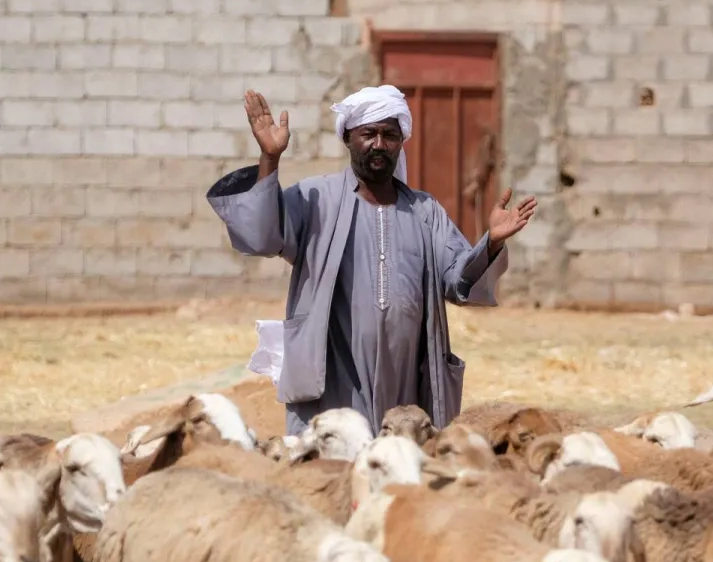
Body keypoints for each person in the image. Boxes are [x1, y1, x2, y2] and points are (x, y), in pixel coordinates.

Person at [206, 84, 538, 436]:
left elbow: (458, 283)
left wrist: (490, 244)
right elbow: (262, 237)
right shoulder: (316, 197)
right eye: (369, 134)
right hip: (334, 373)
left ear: (400, 142)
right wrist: (270, 159)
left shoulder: (425, 211)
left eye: (389, 135)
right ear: (349, 137)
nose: (379, 144)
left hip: (407, 379)